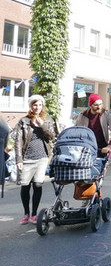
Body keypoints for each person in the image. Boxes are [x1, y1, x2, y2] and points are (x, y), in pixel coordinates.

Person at [13, 95, 56, 224]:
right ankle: (26, 213)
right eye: (34, 105)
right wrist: (19, 159)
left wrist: (42, 125)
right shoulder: (24, 121)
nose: (37, 107)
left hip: (42, 157)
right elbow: (18, 142)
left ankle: (34, 214)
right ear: (31, 106)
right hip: (27, 158)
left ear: (42, 105)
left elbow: (51, 137)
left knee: (38, 184)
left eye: (39, 105)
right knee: (25, 186)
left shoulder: (47, 119)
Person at [75, 93, 111, 158]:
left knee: (100, 166)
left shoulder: (106, 114)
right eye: (96, 105)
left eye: (101, 104)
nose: (99, 107)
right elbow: (76, 130)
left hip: (102, 148)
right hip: (87, 147)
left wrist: (109, 145)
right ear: (90, 105)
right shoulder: (83, 115)